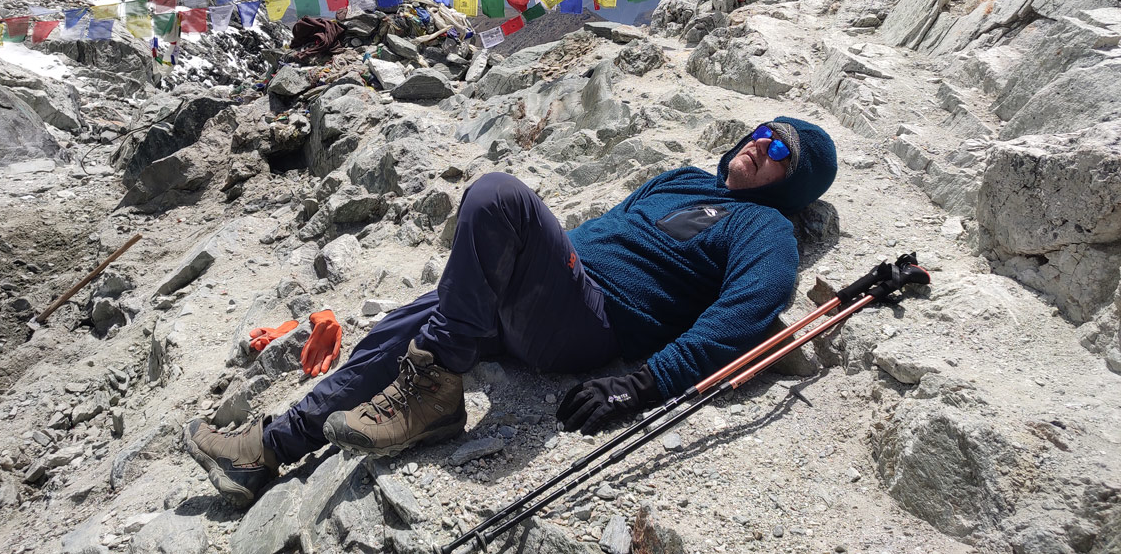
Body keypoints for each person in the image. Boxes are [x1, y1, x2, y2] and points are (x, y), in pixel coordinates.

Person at [184, 116, 837, 507]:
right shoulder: (686, 179)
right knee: (405, 327)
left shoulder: (764, 229)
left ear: (793, 184)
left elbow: (747, 312)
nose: (760, 145)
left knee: (498, 196)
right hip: (547, 296)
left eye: (780, 152)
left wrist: (645, 382)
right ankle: (270, 449)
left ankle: (434, 395)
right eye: (760, 134)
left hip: (588, 323)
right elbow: (604, 233)